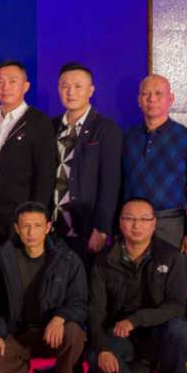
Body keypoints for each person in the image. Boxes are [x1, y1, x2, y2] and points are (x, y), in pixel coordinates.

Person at [87, 197, 187, 373]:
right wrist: (103, 349)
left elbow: (176, 306)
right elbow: (96, 310)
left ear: (154, 223)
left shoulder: (172, 257)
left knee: (181, 329)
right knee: (93, 354)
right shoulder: (103, 260)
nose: (137, 225)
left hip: (156, 333)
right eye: (130, 219)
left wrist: (136, 320)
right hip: (120, 335)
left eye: (144, 219)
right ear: (120, 223)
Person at [0, 202, 89, 373]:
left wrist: (59, 318)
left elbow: (80, 302)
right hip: (20, 332)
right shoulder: (4, 257)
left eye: (38, 226)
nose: (31, 232)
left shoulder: (67, 259)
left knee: (74, 333)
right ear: (17, 228)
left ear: (48, 227)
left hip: (52, 333)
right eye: (25, 226)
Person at [122, 75, 187, 255]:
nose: (151, 99)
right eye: (146, 94)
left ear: (171, 99)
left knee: (171, 272)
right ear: (139, 101)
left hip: (170, 224)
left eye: (158, 94)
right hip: (132, 223)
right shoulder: (127, 138)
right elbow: (117, 183)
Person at [0, 60, 56, 256]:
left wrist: (35, 219)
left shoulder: (39, 122)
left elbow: (45, 175)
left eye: (12, 81)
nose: (5, 87)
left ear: (26, 86)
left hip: (21, 220)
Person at [55, 63, 123, 262]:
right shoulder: (51, 126)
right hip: (53, 226)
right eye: (65, 86)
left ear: (91, 90)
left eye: (78, 86)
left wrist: (102, 228)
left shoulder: (106, 128)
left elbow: (111, 182)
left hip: (86, 227)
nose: (71, 92)